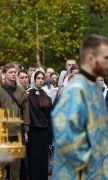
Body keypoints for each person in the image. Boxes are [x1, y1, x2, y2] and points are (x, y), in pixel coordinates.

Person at [52, 34, 108, 179]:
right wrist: (95, 164)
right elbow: (65, 133)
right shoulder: (76, 90)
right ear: (90, 59)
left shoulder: (95, 85)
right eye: (106, 58)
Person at [0, 63, 29, 180]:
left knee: (15, 167)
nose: (13, 74)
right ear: (4, 74)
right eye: (10, 72)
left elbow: (26, 111)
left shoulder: (21, 91)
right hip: (3, 133)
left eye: (14, 72)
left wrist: (26, 130)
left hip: (17, 132)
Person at [27, 71, 52, 180]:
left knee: (42, 160)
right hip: (32, 131)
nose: (41, 80)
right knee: (33, 159)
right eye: (38, 78)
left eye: (42, 78)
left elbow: (49, 117)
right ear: (33, 79)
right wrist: (26, 132)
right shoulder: (27, 94)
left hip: (44, 132)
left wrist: (50, 136)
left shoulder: (46, 95)